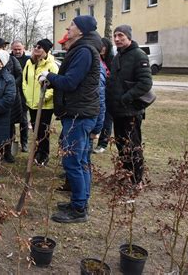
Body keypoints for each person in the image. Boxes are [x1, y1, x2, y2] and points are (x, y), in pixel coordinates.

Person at [39, 15, 101, 223]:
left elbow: (71, 82)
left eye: (72, 25)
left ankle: (78, 209)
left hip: (79, 115)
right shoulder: (83, 49)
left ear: (81, 31)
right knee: (81, 161)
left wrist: (49, 77)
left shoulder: (84, 51)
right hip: (79, 113)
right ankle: (79, 201)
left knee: (74, 162)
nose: (68, 27)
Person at [106, 25, 152, 185]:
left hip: (131, 111)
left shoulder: (139, 55)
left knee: (132, 147)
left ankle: (136, 180)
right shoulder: (118, 56)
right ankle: (126, 175)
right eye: (115, 36)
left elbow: (145, 83)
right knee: (121, 146)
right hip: (117, 111)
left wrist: (125, 98)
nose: (117, 39)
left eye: (121, 36)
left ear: (129, 37)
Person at [22, 39, 58, 166]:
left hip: (45, 106)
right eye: (35, 46)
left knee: (43, 130)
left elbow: (54, 86)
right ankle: (38, 151)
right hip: (31, 103)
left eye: (40, 47)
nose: (36, 49)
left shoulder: (51, 65)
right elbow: (24, 81)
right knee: (35, 130)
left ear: (46, 50)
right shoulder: (29, 63)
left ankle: (44, 154)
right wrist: (27, 96)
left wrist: (42, 99)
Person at [0, 38, 22, 163]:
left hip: (11, 99)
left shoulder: (13, 60)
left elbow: (20, 75)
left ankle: (8, 152)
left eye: (3, 47)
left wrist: (10, 86)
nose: (2, 49)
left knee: (10, 127)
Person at [94, 37, 114, 153]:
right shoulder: (97, 59)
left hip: (109, 95)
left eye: (104, 46)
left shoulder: (112, 60)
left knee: (107, 120)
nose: (102, 48)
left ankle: (103, 143)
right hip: (100, 94)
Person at [11, 40, 30, 153]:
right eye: (15, 49)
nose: (17, 51)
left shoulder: (28, 60)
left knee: (23, 119)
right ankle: (12, 141)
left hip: (23, 94)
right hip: (10, 93)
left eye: (19, 49)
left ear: (23, 48)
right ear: (12, 49)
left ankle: (24, 143)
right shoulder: (8, 59)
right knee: (11, 120)